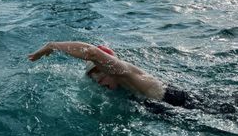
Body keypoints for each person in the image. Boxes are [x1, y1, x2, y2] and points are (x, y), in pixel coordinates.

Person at [28, 41, 192, 107]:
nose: (97, 79)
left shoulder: (125, 72)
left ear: (109, 67)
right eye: (93, 75)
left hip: (185, 103)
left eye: (100, 71)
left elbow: (92, 52)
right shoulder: (122, 87)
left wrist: (52, 46)